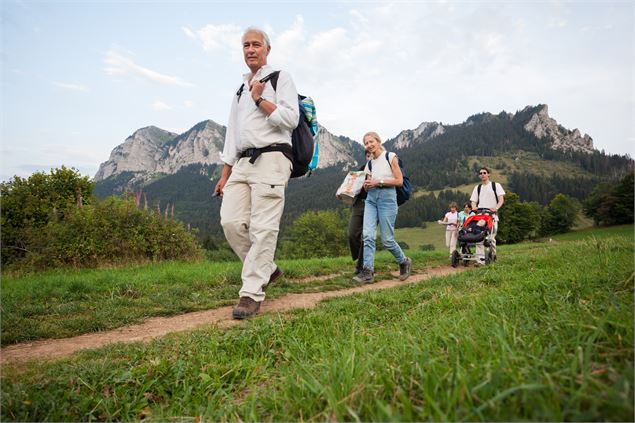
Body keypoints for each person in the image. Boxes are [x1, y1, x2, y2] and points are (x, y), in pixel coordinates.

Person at [214, 27, 299, 319]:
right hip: (242, 163)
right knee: (231, 222)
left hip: (273, 156)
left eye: (256, 44)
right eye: (245, 45)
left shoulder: (279, 78)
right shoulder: (239, 90)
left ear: (267, 49)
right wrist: (225, 174)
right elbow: (232, 136)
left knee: (264, 227)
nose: (250, 49)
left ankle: (251, 294)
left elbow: (291, 119)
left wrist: (260, 99)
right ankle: (269, 269)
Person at [353, 132, 412, 283]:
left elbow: (399, 181)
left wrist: (378, 182)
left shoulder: (390, 157)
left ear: (378, 141)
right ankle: (368, 272)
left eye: (371, 141)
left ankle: (404, 261)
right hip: (371, 201)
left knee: (387, 240)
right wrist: (366, 186)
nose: (369, 145)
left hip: (387, 200)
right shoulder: (369, 164)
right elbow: (366, 185)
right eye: (366, 143)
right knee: (367, 236)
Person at [470, 167, 505, 265]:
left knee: (491, 238)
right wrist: (474, 207)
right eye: (480, 173)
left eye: (484, 173)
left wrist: (496, 207)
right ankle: (480, 261)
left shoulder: (495, 185)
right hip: (480, 215)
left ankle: (493, 256)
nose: (482, 174)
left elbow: (501, 199)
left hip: (492, 215)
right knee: (478, 236)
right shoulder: (477, 188)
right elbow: (473, 201)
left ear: (488, 174)